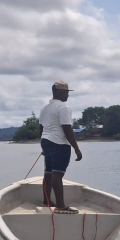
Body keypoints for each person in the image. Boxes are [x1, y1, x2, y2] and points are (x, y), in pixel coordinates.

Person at [39, 81, 83, 213]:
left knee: (48, 173)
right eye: (66, 92)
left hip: (46, 141)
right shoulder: (63, 107)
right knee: (57, 174)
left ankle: (46, 201)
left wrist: (43, 144)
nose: (67, 95)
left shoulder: (45, 107)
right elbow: (67, 129)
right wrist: (76, 148)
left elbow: (41, 127)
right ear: (58, 92)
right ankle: (60, 205)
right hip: (59, 144)